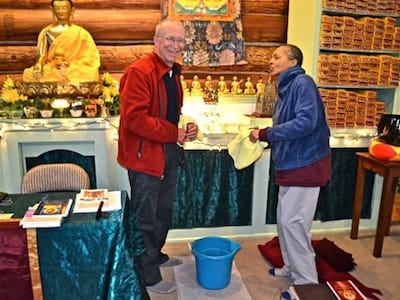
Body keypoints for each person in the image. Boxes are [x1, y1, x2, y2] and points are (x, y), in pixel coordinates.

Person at [117, 19, 199, 295]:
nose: (175, 45)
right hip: (144, 158)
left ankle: (156, 255)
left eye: (180, 40)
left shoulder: (173, 73)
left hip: (167, 153)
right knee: (145, 218)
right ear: (156, 40)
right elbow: (134, 120)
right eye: (170, 39)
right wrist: (172, 133)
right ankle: (147, 274)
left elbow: (169, 113)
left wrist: (186, 128)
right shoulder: (139, 72)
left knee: (163, 212)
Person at [249, 44, 331, 300]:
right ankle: (291, 267)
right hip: (291, 164)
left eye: (276, 56)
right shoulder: (285, 88)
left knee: (294, 223)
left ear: (293, 61)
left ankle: (306, 283)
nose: (270, 60)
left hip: (305, 163)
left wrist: (266, 134)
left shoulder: (302, 83)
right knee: (285, 217)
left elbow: (307, 122)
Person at [22, 0, 100, 83]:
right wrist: (39, 64)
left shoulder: (81, 33)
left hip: (73, 69)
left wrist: (71, 65)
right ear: (52, 10)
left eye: (64, 8)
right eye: (57, 8)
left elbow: (89, 57)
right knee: (28, 74)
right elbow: (42, 55)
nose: (61, 11)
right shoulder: (47, 31)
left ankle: (54, 83)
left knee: (91, 73)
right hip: (53, 68)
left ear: (72, 10)